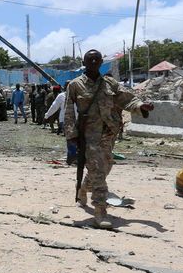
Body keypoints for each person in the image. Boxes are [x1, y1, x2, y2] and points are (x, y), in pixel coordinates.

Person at [64, 50, 154, 229]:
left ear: (101, 62)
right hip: (88, 136)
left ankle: (83, 187)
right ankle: (100, 210)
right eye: (91, 59)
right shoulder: (75, 85)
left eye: (97, 58)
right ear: (84, 62)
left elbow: (126, 99)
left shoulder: (110, 83)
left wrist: (140, 105)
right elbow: (67, 111)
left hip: (108, 134)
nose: (94, 61)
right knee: (98, 170)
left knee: (105, 166)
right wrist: (71, 134)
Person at [44, 81, 76, 164]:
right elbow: (54, 106)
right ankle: (71, 158)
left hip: (77, 121)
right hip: (64, 120)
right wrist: (46, 116)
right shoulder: (61, 96)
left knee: (76, 139)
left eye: (69, 85)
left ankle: (76, 157)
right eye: (66, 85)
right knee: (70, 138)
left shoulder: (77, 95)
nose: (67, 87)